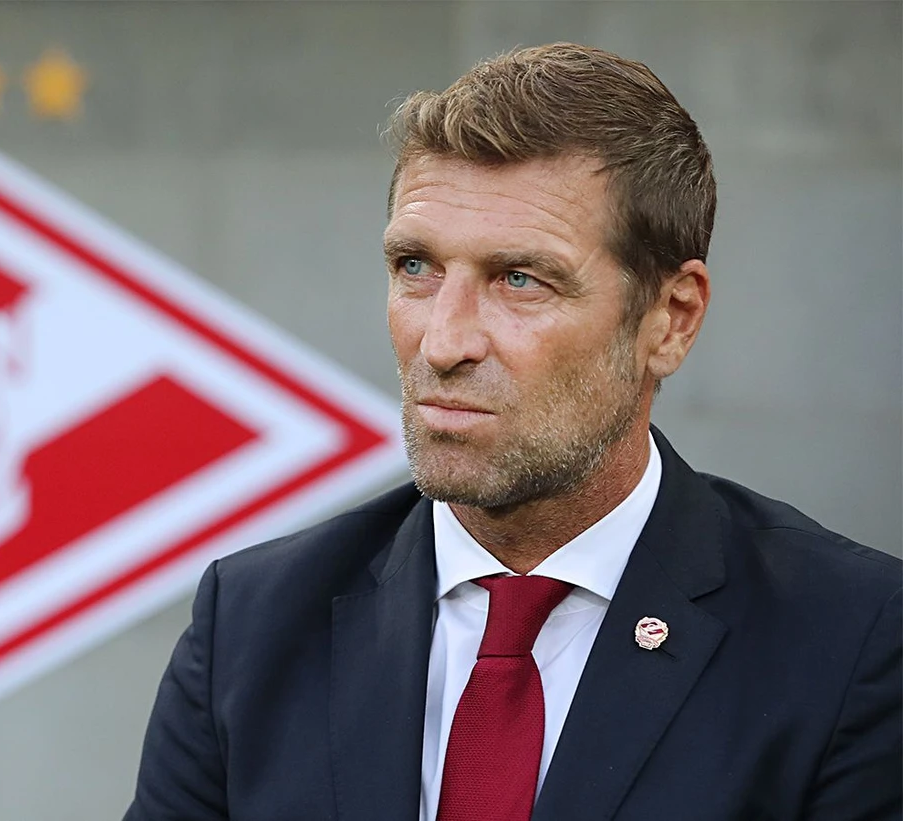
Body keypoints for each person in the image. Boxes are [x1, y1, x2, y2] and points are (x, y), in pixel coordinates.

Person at [124, 43, 901, 821]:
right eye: (416, 267)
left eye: (519, 279)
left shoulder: (851, 640)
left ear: (671, 318)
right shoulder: (249, 626)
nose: (442, 342)